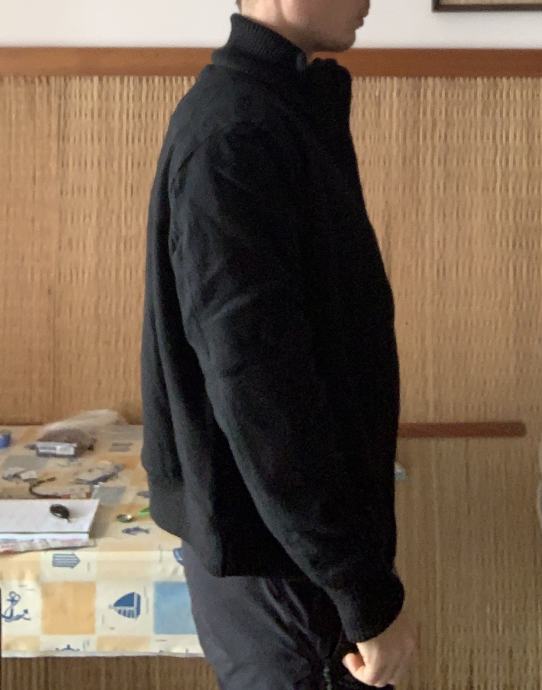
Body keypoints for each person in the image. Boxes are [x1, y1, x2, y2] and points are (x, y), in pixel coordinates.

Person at [139, 1, 418, 687]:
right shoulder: (238, 130)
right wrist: (360, 590)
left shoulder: (278, 107)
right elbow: (260, 390)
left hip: (286, 547)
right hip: (278, 556)